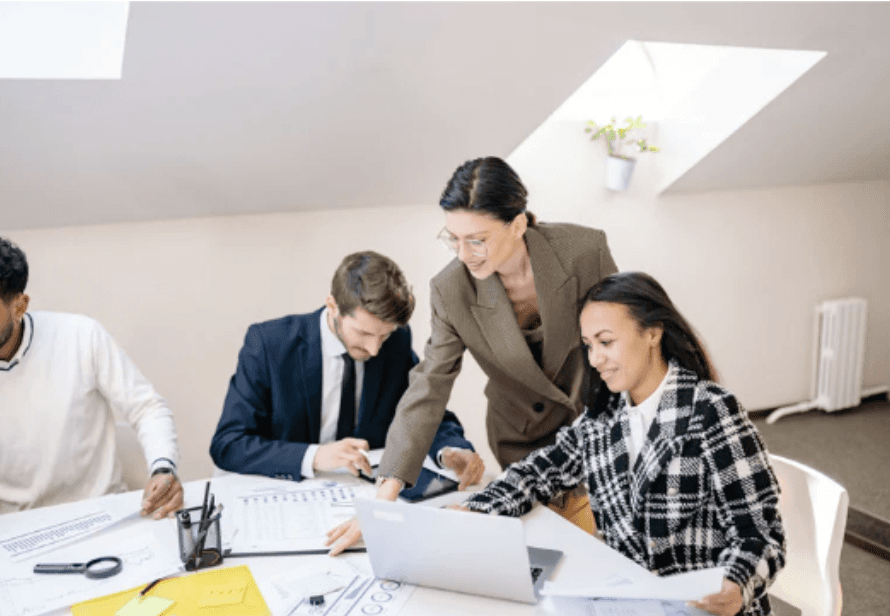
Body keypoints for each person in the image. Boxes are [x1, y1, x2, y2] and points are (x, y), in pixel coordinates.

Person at [327, 156, 618, 553]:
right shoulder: (451, 290)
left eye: (476, 239)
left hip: (596, 425)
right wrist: (381, 504)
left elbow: (621, 339)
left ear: (518, 225)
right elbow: (429, 387)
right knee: (542, 558)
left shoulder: (584, 251)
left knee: (604, 551)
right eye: (453, 239)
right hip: (522, 438)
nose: (463, 254)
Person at [459, 272, 786, 616]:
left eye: (606, 341)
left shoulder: (712, 411)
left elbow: (760, 533)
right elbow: (538, 472)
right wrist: (476, 509)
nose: (595, 359)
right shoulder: (602, 419)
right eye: (589, 345)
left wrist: (736, 584)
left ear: (653, 333)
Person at [209, 250, 481, 482]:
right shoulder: (269, 344)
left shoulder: (396, 343)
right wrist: (315, 456)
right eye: (363, 334)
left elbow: (425, 412)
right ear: (333, 306)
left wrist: (451, 450)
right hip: (285, 492)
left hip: (360, 497)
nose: (374, 349)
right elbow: (228, 444)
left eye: (383, 335)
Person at [0, 237, 182, 518]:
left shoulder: (81, 336)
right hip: (14, 527)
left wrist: (162, 468)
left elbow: (147, 407)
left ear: (20, 306)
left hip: (99, 514)